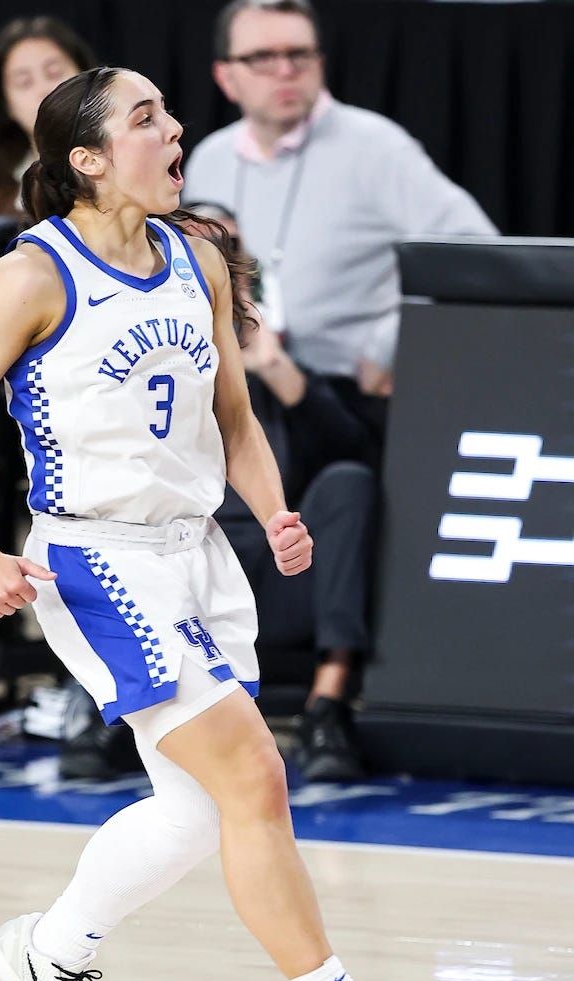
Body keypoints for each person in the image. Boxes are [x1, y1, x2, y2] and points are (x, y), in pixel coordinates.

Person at [0, 65, 474, 981]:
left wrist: (272, 511)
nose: (173, 132)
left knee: (197, 809)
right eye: (145, 119)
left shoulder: (196, 258)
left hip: (197, 553)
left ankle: (50, 949)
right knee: (255, 779)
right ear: (85, 161)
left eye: (168, 112)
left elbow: (235, 418)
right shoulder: (30, 277)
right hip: (97, 560)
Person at [184, 0, 498, 767]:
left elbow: (477, 248)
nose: (285, 70)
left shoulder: (374, 146)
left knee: (349, 487)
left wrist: (391, 343)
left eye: (300, 53)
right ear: (227, 76)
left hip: (339, 396)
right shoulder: (211, 160)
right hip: (230, 388)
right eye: (264, 58)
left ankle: (332, 703)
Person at [192, 202, 375, 781]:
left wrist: (275, 369)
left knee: (350, 484)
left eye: (231, 251)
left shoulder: (280, 363)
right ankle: (107, 716)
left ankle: (328, 708)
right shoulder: (152, 359)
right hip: (190, 573)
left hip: (283, 570)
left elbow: (352, 447)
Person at [0, 17, 97, 217]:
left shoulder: (124, 158)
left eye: (54, 73)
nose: (44, 91)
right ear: (6, 105)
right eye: (24, 82)